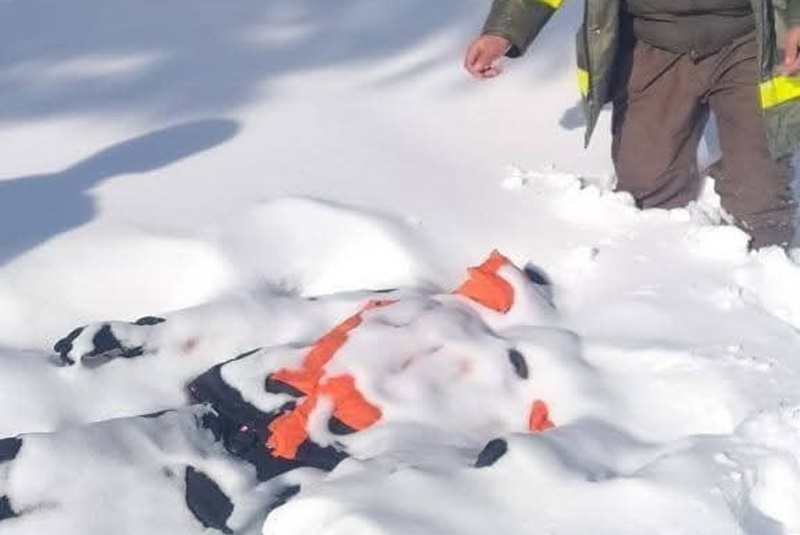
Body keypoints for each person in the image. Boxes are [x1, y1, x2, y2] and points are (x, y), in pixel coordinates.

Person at [465, 0, 800, 249]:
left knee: (763, 206)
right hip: (652, 41)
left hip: (751, 40)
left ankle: (758, 286)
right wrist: (504, 29)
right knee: (647, 197)